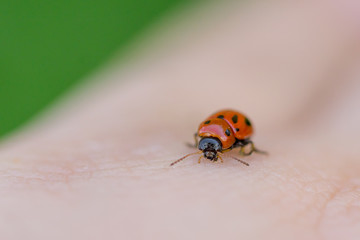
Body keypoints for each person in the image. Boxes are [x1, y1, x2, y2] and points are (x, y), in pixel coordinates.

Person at [0, 1, 359, 239]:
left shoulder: (224, 134)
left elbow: (237, 135)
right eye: (208, 150)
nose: (209, 153)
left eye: (209, 150)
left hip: (236, 122)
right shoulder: (209, 133)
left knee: (247, 143)